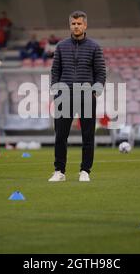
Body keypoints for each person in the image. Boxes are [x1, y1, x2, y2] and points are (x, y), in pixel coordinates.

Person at [49, 11, 106, 182]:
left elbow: (101, 71)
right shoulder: (61, 46)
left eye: (79, 23)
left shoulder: (94, 47)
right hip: (64, 95)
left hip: (86, 96)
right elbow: (55, 70)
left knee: (87, 136)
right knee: (60, 136)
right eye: (73, 24)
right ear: (70, 25)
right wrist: (55, 89)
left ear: (85, 25)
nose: (76, 26)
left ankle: (85, 171)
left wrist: (95, 91)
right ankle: (59, 171)